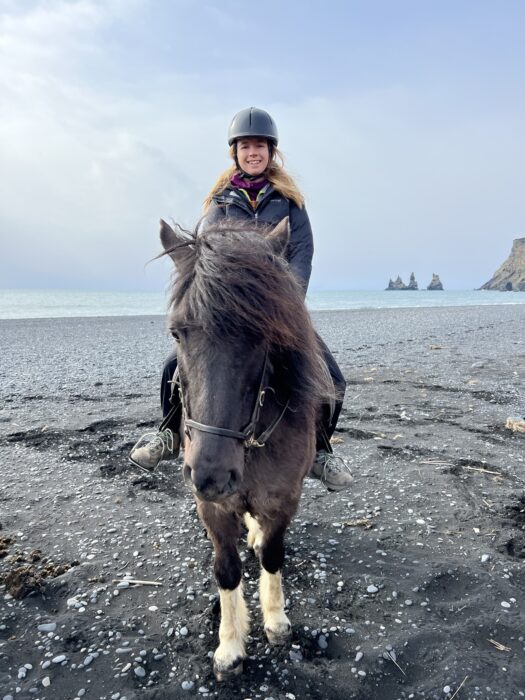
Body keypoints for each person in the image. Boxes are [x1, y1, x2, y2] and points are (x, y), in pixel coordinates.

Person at [130, 107, 352, 491]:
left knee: (331, 376)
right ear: (235, 152)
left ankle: (321, 450)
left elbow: (302, 254)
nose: (253, 153)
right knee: (174, 368)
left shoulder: (290, 203)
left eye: (260, 147)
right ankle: (168, 433)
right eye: (246, 146)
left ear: (271, 152)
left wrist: (283, 304)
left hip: (278, 310)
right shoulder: (219, 202)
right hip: (229, 313)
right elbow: (206, 257)